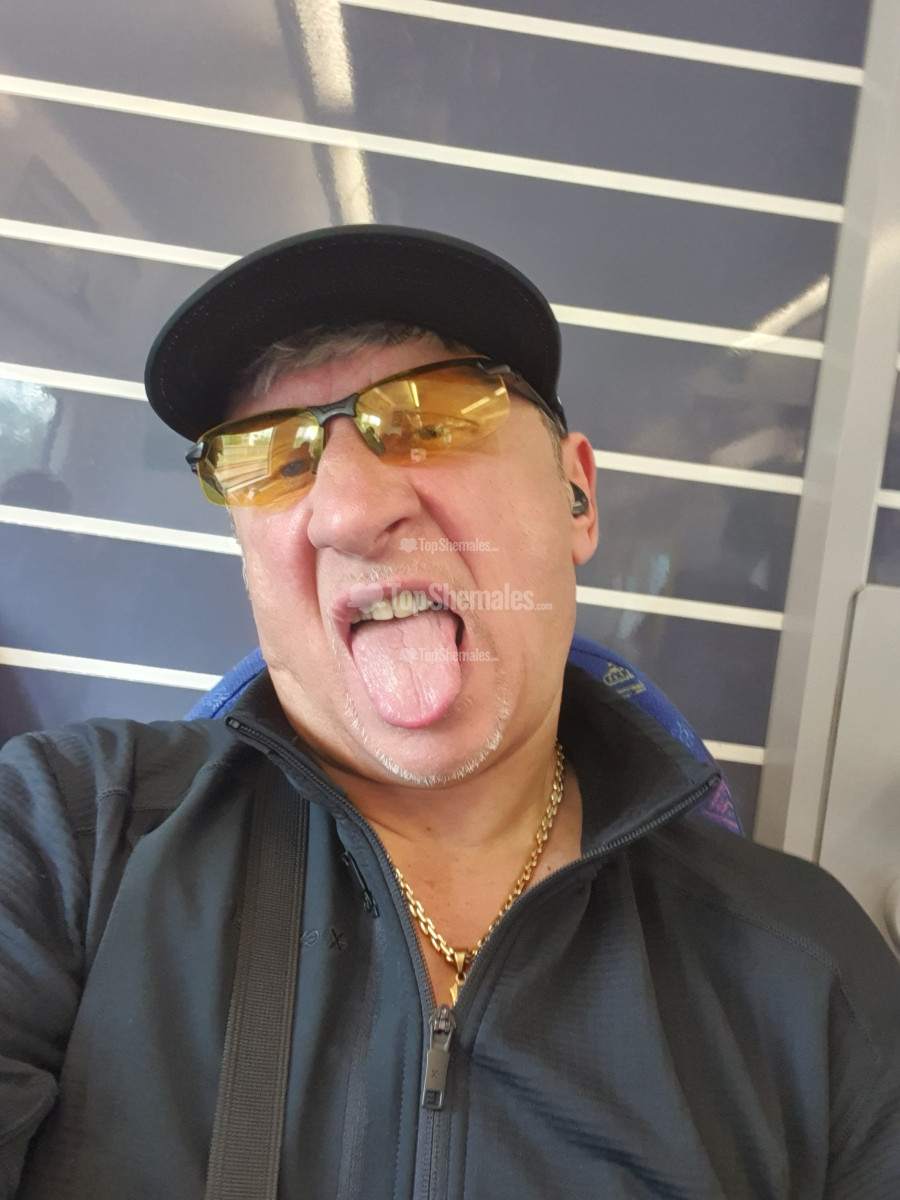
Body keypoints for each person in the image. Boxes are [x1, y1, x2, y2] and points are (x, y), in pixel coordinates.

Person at [1, 226, 898, 1200]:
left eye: (431, 417)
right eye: (271, 455)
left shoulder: (809, 973)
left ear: (577, 496)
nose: (347, 512)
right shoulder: (69, 839)